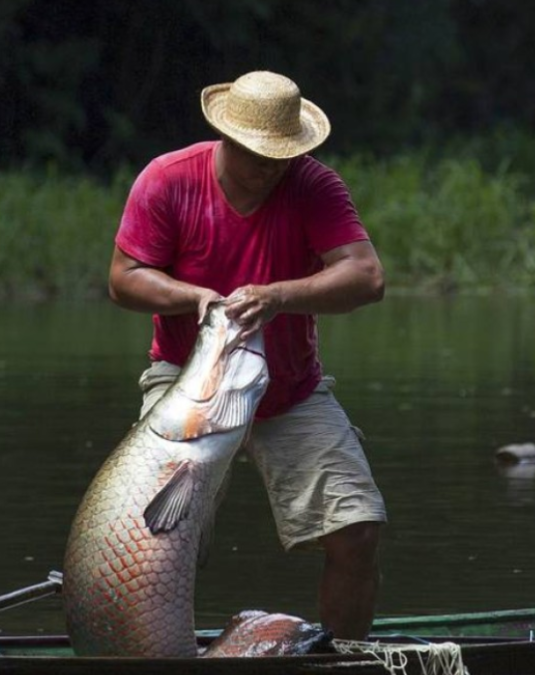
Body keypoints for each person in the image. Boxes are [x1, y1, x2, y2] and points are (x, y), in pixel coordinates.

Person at [106, 70, 387, 640]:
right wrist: (196, 299)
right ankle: (148, 652)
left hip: (289, 388)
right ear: (227, 139)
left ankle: (347, 657)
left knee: (356, 530)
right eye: (260, 154)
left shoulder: (314, 186)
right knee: (147, 541)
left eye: (284, 154)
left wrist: (279, 294)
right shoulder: (168, 179)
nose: (272, 166)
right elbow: (123, 278)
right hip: (186, 383)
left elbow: (367, 276)